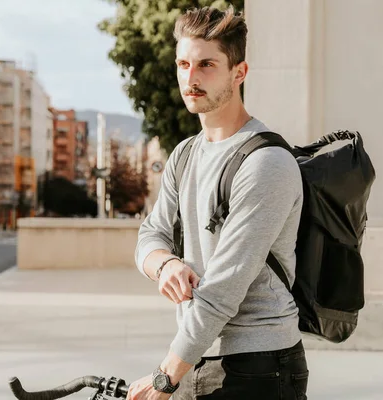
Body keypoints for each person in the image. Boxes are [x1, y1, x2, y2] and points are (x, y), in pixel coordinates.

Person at [128, 5, 307, 400]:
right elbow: (150, 234)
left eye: (206, 64)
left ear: (238, 73)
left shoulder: (266, 163)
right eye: (183, 64)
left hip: (259, 365)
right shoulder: (186, 154)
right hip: (197, 355)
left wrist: (164, 377)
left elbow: (224, 290)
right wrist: (165, 264)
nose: (190, 78)